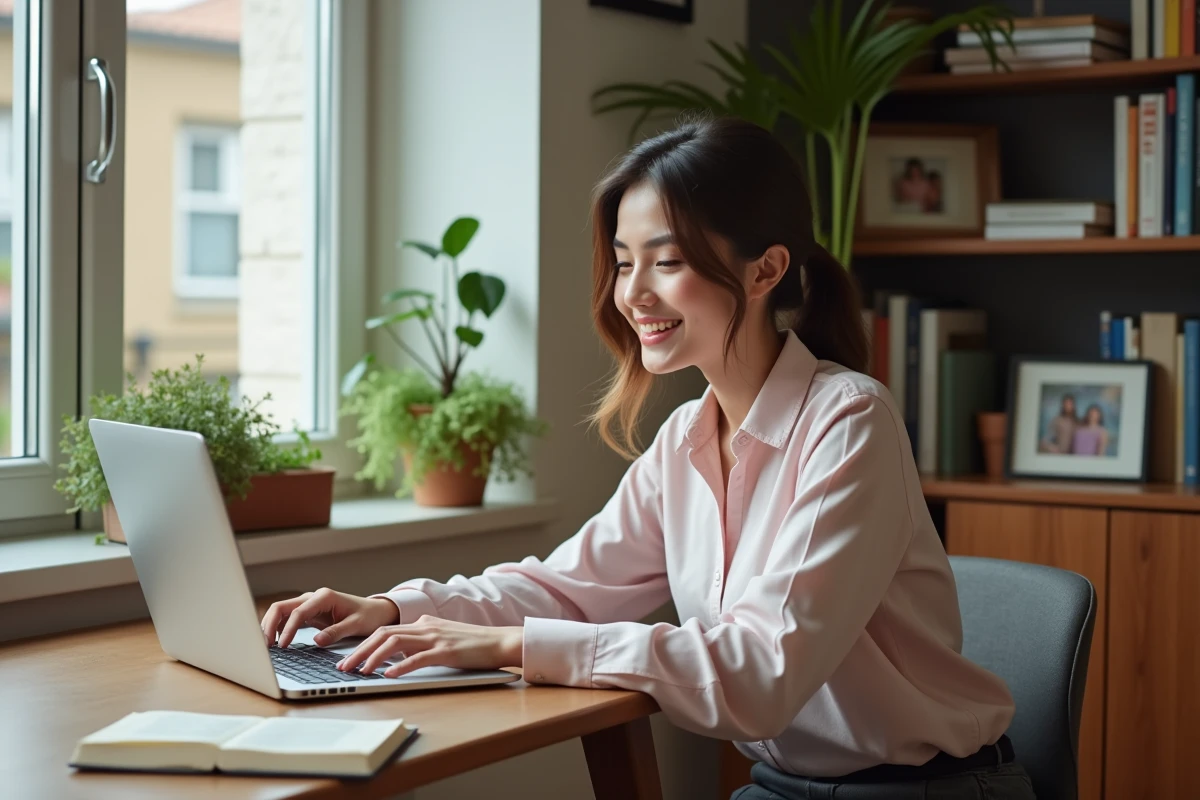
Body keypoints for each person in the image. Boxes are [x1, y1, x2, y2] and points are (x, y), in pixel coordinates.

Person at [261, 116, 1035, 800]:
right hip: (783, 787)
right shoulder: (686, 442)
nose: (632, 294)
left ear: (765, 271)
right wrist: (398, 610)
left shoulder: (849, 421)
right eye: (625, 262)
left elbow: (758, 675)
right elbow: (565, 589)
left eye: (665, 261)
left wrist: (513, 647)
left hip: (927, 791)